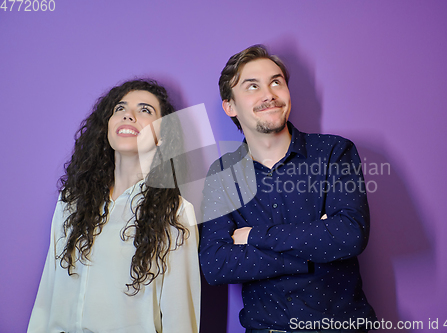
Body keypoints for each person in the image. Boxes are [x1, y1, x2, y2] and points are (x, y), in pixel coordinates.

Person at [199, 45, 376, 333]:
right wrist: (312, 249)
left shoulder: (334, 152)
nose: (269, 94)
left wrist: (254, 237)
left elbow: (349, 235)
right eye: (252, 86)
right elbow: (216, 264)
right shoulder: (222, 174)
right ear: (230, 106)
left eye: (276, 82)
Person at [28, 79, 200, 333]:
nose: (128, 115)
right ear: (106, 127)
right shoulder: (72, 201)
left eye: (145, 110)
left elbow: (181, 318)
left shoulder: (176, 213)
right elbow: (47, 293)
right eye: (119, 109)